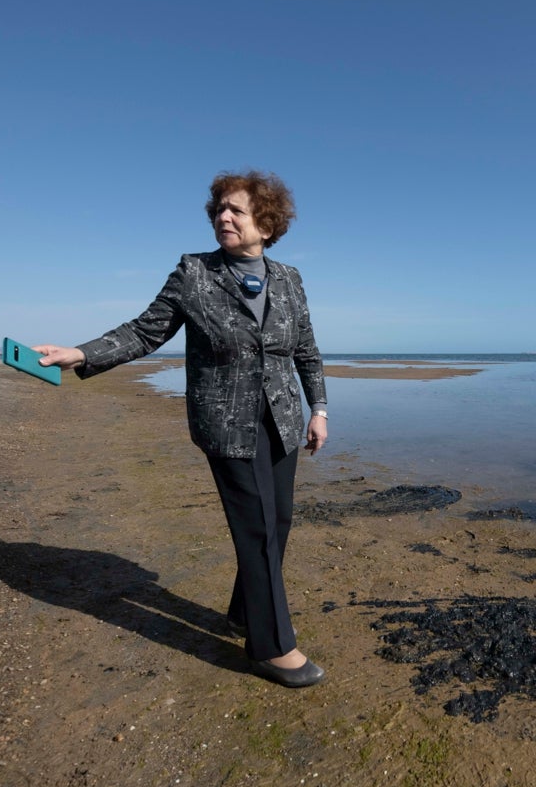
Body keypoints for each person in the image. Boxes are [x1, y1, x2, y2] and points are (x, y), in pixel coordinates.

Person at [34, 171, 329, 688]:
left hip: (281, 417)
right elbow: (146, 330)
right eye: (219, 210)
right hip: (226, 421)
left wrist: (319, 409)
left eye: (236, 210)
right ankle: (271, 646)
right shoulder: (194, 272)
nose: (223, 217)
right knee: (257, 528)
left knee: (278, 522)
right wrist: (81, 353)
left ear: (268, 221)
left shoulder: (289, 278)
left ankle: (245, 611)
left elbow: (304, 348)